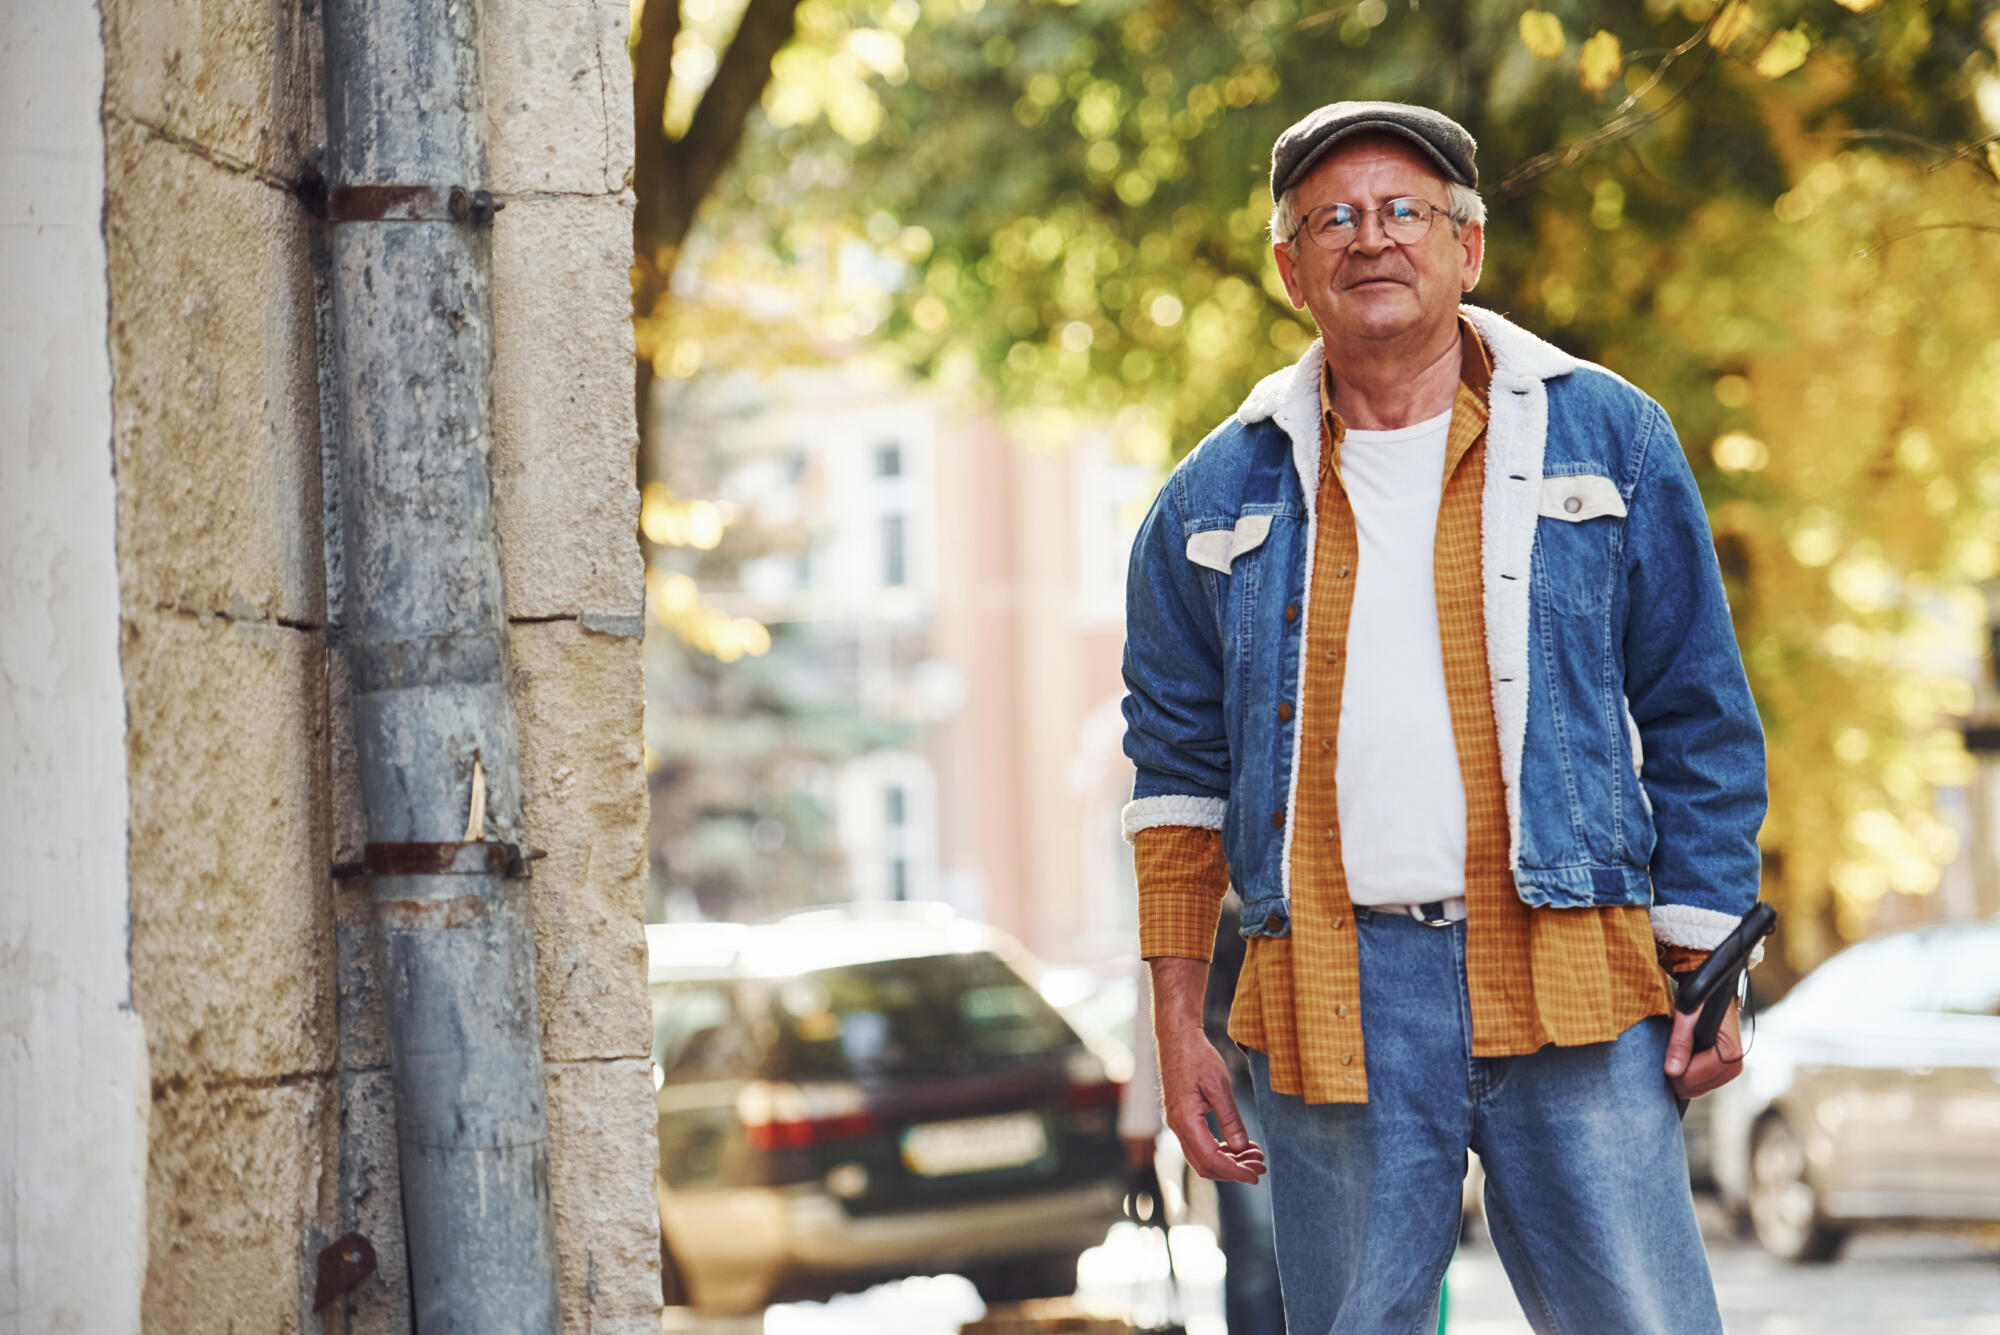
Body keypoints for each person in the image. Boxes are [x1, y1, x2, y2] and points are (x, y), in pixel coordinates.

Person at [1119, 101, 1765, 1334]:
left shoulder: (1607, 436)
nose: (1371, 238)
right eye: (1333, 220)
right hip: (1328, 993)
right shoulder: (1206, 498)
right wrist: (1173, 1021)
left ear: (1466, 249)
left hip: (1570, 966)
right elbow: (1172, 781)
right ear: (1289, 267)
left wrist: (1708, 959)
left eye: (1403, 210)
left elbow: (1698, 717)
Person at [1120, 897, 1285, 1335]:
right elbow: (1157, 1000)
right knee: (1256, 1241)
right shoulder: (1192, 871)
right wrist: (1141, 1121)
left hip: (1315, 1072)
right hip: (1231, 1086)